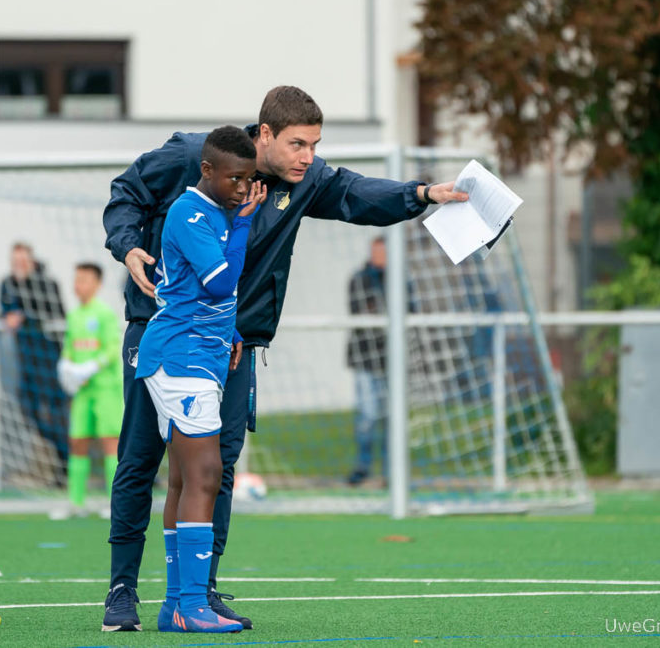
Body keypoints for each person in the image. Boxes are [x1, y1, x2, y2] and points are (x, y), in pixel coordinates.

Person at [101, 85, 469, 631]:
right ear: (264, 134)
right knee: (141, 463)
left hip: (232, 348)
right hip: (161, 334)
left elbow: (358, 195)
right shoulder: (194, 158)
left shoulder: (307, 179)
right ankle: (121, 593)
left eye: (315, 145)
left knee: (214, 472)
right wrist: (127, 243)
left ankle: (195, 593)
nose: (309, 157)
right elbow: (125, 192)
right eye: (298, 144)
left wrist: (423, 194)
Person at [136, 126, 264, 633]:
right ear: (207, 171)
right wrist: (246, 225)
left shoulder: (213, 212)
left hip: (194, 355)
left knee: (185, 479)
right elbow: (221, 281)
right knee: (207, 474)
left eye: (249, 180)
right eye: (235, 178)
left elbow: (197, 292)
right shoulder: (191, 214)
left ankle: (175, 607)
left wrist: (229, 328)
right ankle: (192, 605)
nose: (242, 188)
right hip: (181, 358)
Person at [0, 243, 69, 477]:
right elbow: (5, 312)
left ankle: (64, 466)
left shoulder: (46, 284)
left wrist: (25, 316)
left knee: (56, 412)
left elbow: (58, 313)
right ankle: (63, 455)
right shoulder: (7, 284)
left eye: (23, 261)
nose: (19, 266)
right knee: (29, 411)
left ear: (31, 261)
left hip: (48, 357)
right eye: (15, 262)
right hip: (25, 359)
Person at [57, 263, 123, 510]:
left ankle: (114, 504)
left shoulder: (104, 314)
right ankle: (75, 502)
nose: (78, 285)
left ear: (97, 284)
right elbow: (70, 347)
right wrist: (66, 364)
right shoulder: (74, 316)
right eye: (76, 279)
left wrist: (92, 366)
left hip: (105, 388)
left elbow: (111, 349)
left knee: (109, 442)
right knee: (77, 441)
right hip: (82, 390)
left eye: (84, 279)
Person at [346, 236, 389, 485]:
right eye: (376, 252)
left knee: (390, 418)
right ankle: (363, 467)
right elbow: (360, 310)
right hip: (364, 359)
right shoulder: (360, 279)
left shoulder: (399, 279)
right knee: (367, 417)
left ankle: (389, 471)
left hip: (391, 361)